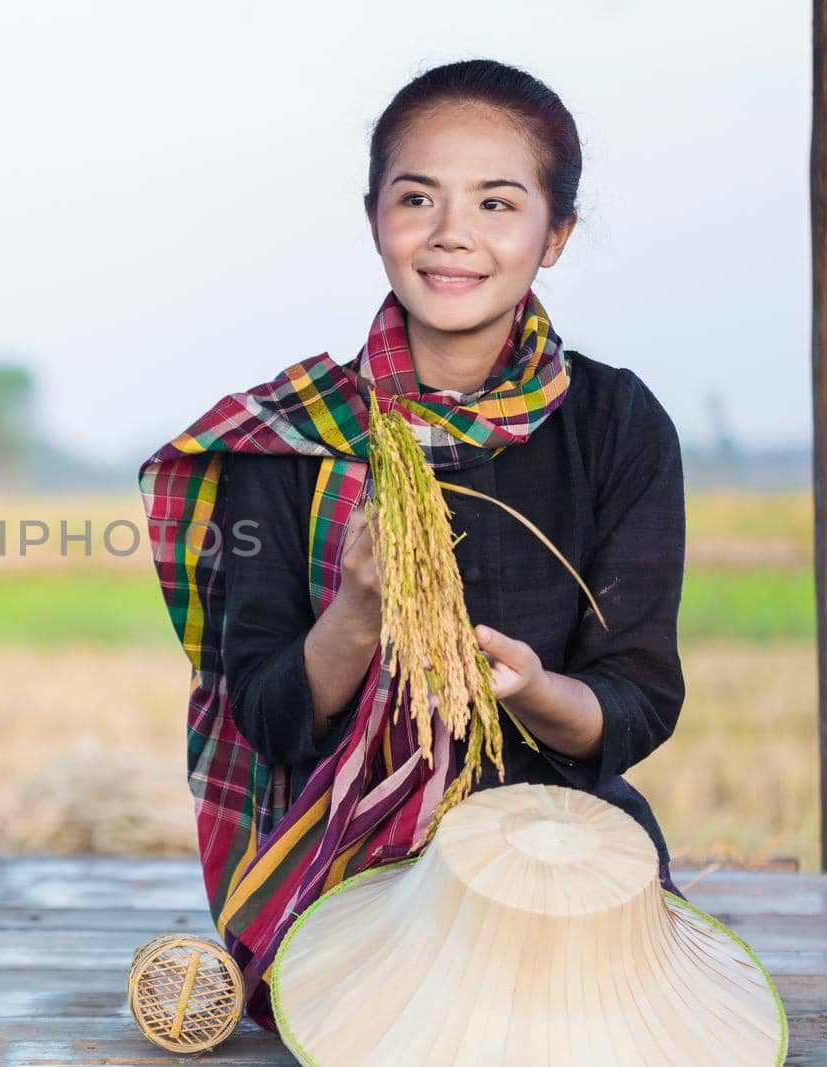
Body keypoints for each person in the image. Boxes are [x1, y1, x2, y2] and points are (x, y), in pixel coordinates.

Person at [137, 58, 686, 1033]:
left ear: (553, 236)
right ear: (373, 216)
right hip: (349, 861)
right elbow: (264, 716)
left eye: (497, 203)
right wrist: (355, 610)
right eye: (418, 197)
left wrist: (533, 690)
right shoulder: (291, 436)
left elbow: (636, 700)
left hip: (557, 855)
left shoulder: (615, 422)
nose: (452, 234)